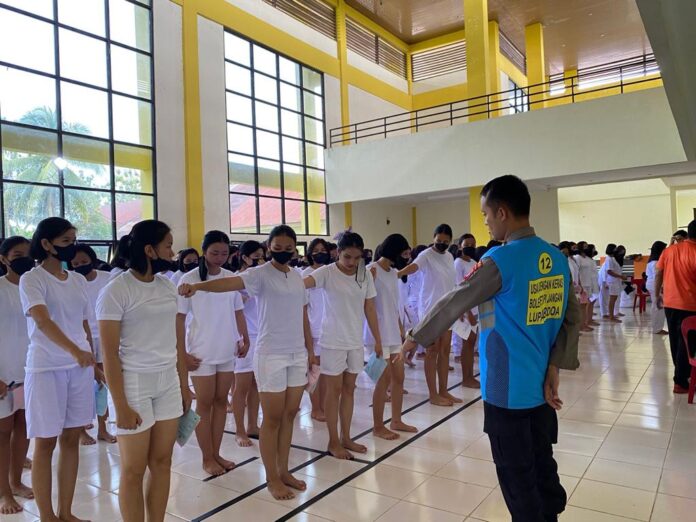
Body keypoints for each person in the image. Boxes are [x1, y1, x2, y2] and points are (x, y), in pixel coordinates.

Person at [401, 175, 580, 521]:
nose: (485, 221)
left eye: (485, 214)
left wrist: (415, 336)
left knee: (517, 480)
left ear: (502, 213)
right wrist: (554, 366)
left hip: (505, 390)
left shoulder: (500, 260)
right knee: (542, 467)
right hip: (542, 389)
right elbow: (571, 319)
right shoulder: (556, 257)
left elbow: (455, 301)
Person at [179, 225, 316, 501]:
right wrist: (198, 287)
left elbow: (303, 316)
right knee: (273, 418)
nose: (283, 252)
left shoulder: (297, 277)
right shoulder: (259, 274)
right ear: (268, 248)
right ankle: (272, 477)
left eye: (288, 248)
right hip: (271, 355)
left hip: (296, 354)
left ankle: (284, 470)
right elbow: (228, 284)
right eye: (277, 248)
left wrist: (309, 350)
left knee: (289, 415)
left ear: (295, 249)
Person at [97, 220, 191, 522]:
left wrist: (184, 385)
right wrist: (120, 405)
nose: (173, 253)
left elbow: (177, 341)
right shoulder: (116, 290)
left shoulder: (167, 286)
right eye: (168, 246)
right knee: (133, 470)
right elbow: (109, 354)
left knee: (162, 462)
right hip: (134, 383)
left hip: (168, 382)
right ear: (150, 250)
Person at [19, 217, 99, 522]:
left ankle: (66, 512)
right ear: (46, 244)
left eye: (73, 239)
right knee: (45, 442)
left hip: (79, 368)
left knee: (71, 439)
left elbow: (83, 323)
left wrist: (91, 357)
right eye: (66, 241)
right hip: (46, 368)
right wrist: (74, 351)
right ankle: (47, 516)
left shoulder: (77, 281)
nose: (72, 246)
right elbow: (42, 320)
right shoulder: (32, 279)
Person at [304, 232, 382, 459]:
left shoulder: (364, 275)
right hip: (332, 341)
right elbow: (301, 285)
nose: (352, 262)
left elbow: (369, 308)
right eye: (347, 257)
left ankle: (346, 437)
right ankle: (333, 440)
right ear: (337, 252)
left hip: (354, 340)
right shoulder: (327, 272)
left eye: (357, 258)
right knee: (334, 391)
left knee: (350, 389)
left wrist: (378, 339)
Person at [177, 231, 249, 475]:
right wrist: (182, 354)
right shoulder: (189, 280)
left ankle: (216, 453)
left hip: (227, 349)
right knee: (205, 403)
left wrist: (245, 337)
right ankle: (206, 457)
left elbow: (238, 310)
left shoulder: (230, 278)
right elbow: (179, 320)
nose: (219, 257)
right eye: (214, 253)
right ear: (204, 251)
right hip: (201, 352)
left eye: (224, 253)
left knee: (220, 402)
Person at [398, 224, 460, 406]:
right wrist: (400, 273)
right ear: (433, 238)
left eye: (445, 241)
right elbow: (414, 266)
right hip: (430, 309)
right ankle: (433, 394)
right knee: (432, 351)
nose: (442, 244)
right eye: (439, 240)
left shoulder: (449, 256)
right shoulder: (426, 255)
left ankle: (444, 391)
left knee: (445, 350)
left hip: (448, 308)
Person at [366, 234, 418, 440]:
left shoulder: (393, 273)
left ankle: (396, 420)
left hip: (393, 333)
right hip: (378, 334)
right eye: (403, 253)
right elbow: (368, 306)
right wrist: (377, 339)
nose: (405, 257)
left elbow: (394, 304)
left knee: (399, 377)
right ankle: (378, 426)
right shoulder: (371, 271)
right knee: (383, 380)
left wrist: (401, 329)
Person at [0, 237, 34, 515]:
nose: (24, 259)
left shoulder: (34, 288)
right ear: (3, 259)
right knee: (3, 433)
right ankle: (3, 492)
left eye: (28, 254)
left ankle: (16, 481)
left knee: (24, 427)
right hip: (3, 375)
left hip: (31, 372)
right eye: (17, 254)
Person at [71, 244, 117, 445]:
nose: (80, 266)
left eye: (84, 261)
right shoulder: (72, 281)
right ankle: (81, 429)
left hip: (105, 336)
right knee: (82, 385)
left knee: (102, 384)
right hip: (81, 339)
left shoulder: (107, 278)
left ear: (92, 260)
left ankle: (102, 428)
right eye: (75, 264)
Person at [654, 220, 696, 394]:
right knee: (688, 342)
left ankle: (681, 375)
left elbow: (658, 273)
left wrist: (657, 294)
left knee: (676, 339)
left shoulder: (669, 251)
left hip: (670, 302)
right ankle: (681, 380)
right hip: (690, 304)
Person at [230, 240, 263, 446]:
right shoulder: (237, 279)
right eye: (256, 257)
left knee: (256, 384)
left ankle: (252, 425)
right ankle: (239, 430)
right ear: (244, 258)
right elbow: (234, 305)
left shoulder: (262, 278)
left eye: (262, 256)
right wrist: (247, 294)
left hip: (261, 336)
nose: (261, 260)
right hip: (244, 336)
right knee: (241, 386)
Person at [302, 238, 331, 421]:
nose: (320, 253)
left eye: (323, 250)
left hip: (330, 329)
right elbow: (303, 309)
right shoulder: (305, 275)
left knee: (327, 372)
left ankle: (325, 406)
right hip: (314, 331)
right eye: (316, 250)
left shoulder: (330, 272)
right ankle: (315, 408)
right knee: (315, 372)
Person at [452, 234, 480, 388]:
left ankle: (470, 376)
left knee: (471, 343)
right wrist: (467, 312)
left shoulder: (474, 263)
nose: (470, 247)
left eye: (473, 245)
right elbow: (459, 288)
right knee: (467, 343)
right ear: (460, 246)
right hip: (464, 309)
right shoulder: (458, 264)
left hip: (474, 307)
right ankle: (466, 377)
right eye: (467, 244)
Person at [575, 242, 600, 332]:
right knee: (583, 305)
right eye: (584, 246)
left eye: (587, 246)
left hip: (588, 283)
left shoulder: (587, 258)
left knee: (587, 303)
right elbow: (577, 271)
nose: (586, 248)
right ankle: (583, 324)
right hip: (582, 284)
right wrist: (580, 284)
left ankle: (588, 321)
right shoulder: (578, 258)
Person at [600, 244, 627, 322]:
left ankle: (612, 315)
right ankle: (611, 317)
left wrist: (620, 277)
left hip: (615, 281)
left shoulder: (612, 258)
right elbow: (609, 271)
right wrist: (620, 276)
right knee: (612, 299)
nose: (616, 250)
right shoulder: (609, 259)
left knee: (614, 298)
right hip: (612, 281)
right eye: (615, 249)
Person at [646, 241, 668, 336]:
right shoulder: (656, 262)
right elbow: (657, 276)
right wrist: (658, 290)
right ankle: (657, 329)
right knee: (658, 307)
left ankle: (657, 328)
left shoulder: (651, 261)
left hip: (652, 285)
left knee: (656, 306)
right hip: (655, 286)